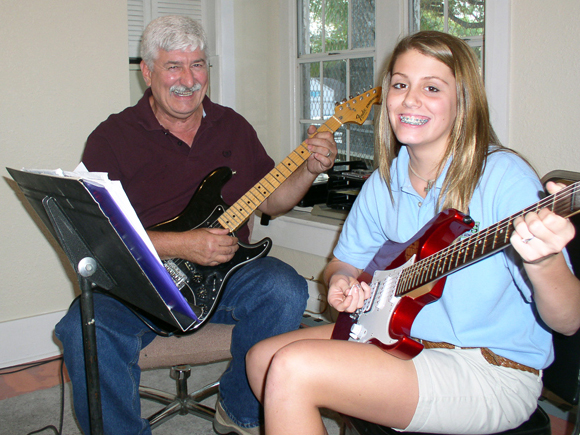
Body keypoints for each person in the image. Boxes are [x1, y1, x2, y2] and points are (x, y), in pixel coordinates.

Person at [245, 31, 580, 435]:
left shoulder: (503, 178)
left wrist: (542, 260)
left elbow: (569, 321)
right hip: (398, 336)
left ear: (463, 102)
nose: (410, 99)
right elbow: (343, 262)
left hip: (487, 367)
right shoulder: (385, 181)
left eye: (432, 87)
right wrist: (340, 281)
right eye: (401, 84)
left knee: (292, 369)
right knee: (262, 358)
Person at [54, 15, 337, 435]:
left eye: (198, 65)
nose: (188, 79)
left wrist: (309, 170)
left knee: (285, 287)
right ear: (147, 72)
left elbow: (271, 200)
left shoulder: (233, 126)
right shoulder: (112, 137)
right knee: (83, 328)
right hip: (146, 277)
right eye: (174, 67)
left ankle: (239, 411)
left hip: (229, 270)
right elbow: (98, 237)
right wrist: (181, 245)